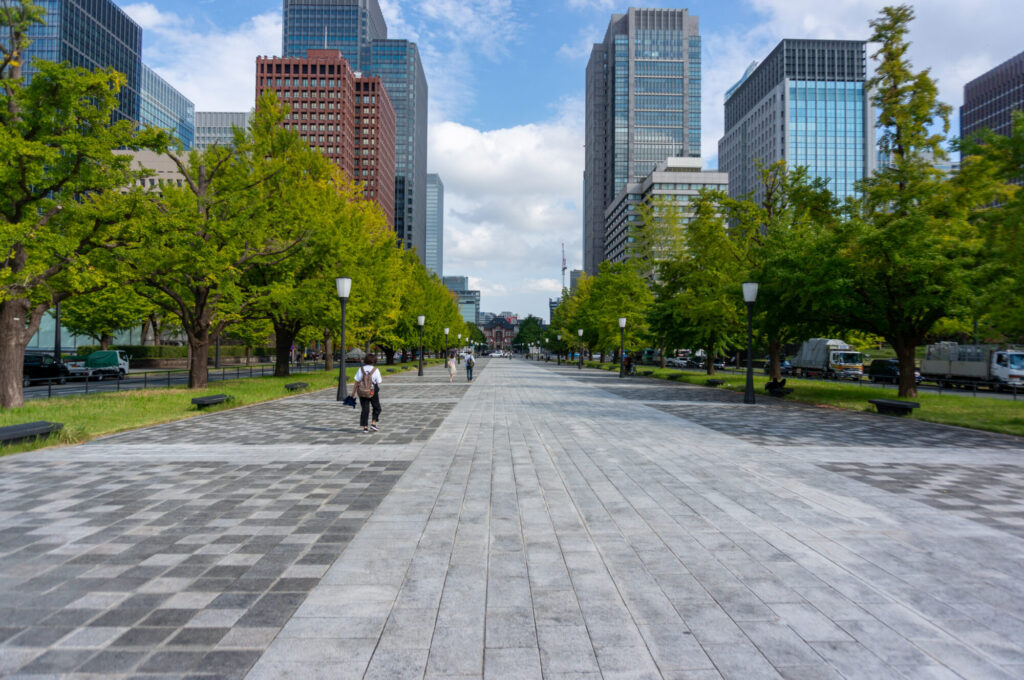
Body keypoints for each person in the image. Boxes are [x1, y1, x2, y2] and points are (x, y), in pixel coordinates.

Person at [350, 353, 383, 433]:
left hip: (362, 391)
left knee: (365, 409)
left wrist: (353, 393)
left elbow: (356, 381)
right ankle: (373, 423)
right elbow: (379, 381)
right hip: (372, 391)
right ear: (374, 361)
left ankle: (365, 427)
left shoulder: (361, 369)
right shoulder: (375, 370)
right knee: (377, 407)